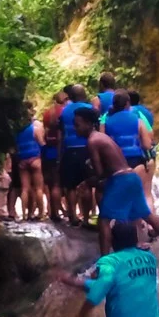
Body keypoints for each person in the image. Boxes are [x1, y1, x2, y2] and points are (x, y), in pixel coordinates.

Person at [71, 106, 159, 259]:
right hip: (131, 177)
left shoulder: (92, 141)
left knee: (104, 220)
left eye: (78, 124)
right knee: (146, 214)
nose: (75, 128)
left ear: (89, 124)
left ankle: (104, 262)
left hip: (121, 180)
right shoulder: (100, 137)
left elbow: (100, 173)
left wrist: (86, 183)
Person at [58, 83, 95, 227]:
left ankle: (73, 216)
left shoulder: (65, 111)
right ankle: (86, 218)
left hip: (69, 150)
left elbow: (61, 135)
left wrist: (59, 156)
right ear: (83, 94)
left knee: (70, 185)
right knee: (87, 185)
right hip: (87, 149)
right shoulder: (90, 109)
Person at [12, 104, 45, 220]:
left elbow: (16, 148)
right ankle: (41, 214)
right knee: (39, 189)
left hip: (23, 161)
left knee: (25, 188)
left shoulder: (17, 132)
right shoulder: (35, 130)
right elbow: (42, 144)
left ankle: (25, 215)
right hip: (35, 159)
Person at [125, 88, 156, 203]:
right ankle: (149, 216)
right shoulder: (146, 112)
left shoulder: (131, 112)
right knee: (147, 190)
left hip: (138, 152)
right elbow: (151, 132)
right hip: (150, 150)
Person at [41, 90, 67, 222]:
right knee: (57, 183)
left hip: (47, 150)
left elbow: (44, 132)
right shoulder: (64, 112)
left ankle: (51, 210)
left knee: (49, 183)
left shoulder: (47, 113)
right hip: (58, 150)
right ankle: (57, 213)